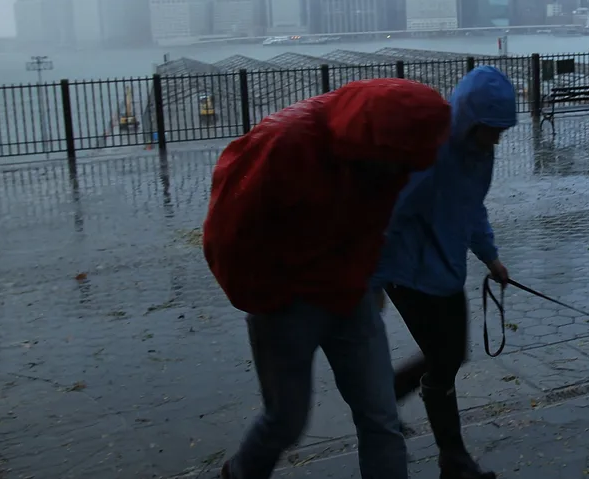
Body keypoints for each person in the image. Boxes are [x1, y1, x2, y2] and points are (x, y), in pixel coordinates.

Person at [202, 78, 453, 479]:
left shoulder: (391, 153)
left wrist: (371, 281)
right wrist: (264, 301)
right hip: (286, 304)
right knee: (286, 420)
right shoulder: (285, 143)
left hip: (350, 293)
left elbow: (376, 218)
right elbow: (229, 235)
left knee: (381, 419)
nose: (406, 170)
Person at [373, 65, 518, 479]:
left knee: (451, 355)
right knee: (444, 356)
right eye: (490, 129)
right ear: (469, 119)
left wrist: (490, 257)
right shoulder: (429, 156)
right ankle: (451, 456)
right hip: (408, 274)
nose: (496, 138)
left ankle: (387, 400)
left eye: (500, 130)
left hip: (446, 271)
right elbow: (388, 216)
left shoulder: (480, 155)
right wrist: (376, 281)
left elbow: (473, 206)